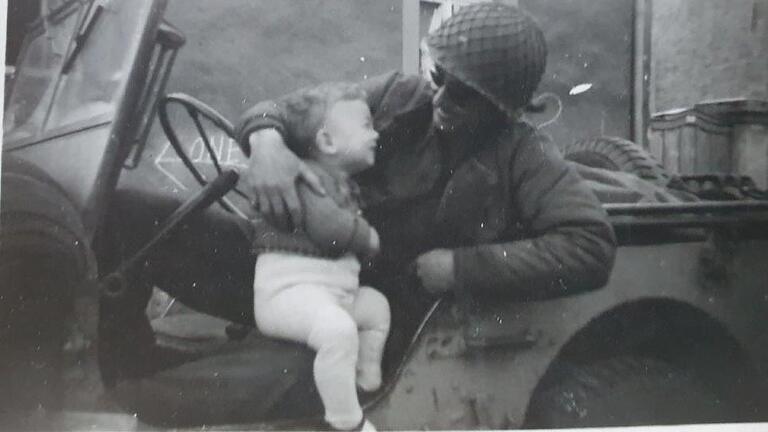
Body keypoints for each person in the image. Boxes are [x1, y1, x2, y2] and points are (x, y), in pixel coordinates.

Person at [236, 2, 616, 314]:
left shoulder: (523, 153)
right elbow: (289, 110)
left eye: (464, 94)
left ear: (505, 108)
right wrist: (266, 144)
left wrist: (460, 268)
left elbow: (589, 245)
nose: (439, 100)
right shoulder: (397, 95)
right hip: (318, 269)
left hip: (407, 315)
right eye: (439, 76)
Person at [247, 82, 388, 432]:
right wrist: (366, 237)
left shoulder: (342, 183)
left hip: (331, 295)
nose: (376, 133)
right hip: (287, 297)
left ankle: (366, 378)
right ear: (326, 142)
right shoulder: (306, 178)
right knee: (338, 331)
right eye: (367, 126)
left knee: (375, 308)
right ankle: (346, 421)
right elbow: (330, 229)